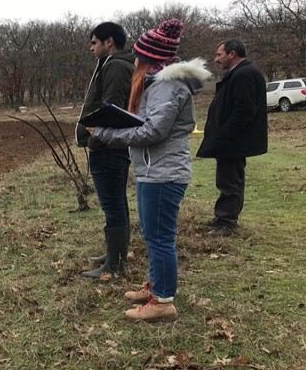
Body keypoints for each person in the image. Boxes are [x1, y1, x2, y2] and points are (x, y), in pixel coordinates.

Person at [88, 19, 212, 322]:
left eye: (139, 56)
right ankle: (157, 286)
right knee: (153, 234)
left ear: (150, 58)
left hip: (164, 173)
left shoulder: (168, 86)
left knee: (160, 238)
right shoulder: (159, 85)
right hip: (153, 171)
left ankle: (163, 301)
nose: (135, 61)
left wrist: (106, 133)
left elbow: (152, 131)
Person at [75, 22, 135, 280]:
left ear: (108, 41)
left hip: (109, 147)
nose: (91, 48)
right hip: (110, 145)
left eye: (93, 42)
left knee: (113, 204)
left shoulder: (116, 66)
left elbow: (113, 109)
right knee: (116, 201)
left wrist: (96, 141)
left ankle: (116, 264)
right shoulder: (113, 64)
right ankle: (115, 254)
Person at [196, 39, 268, 236]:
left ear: (232, 54)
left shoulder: (244, 74)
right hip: (232, 140)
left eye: (219, 54)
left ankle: (227, 223)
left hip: (234, 141)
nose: (216, 59)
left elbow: (244, 110)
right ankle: (223, 217)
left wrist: (225, 134)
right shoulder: (240, 73)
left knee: (230, 181)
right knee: (227, 179)